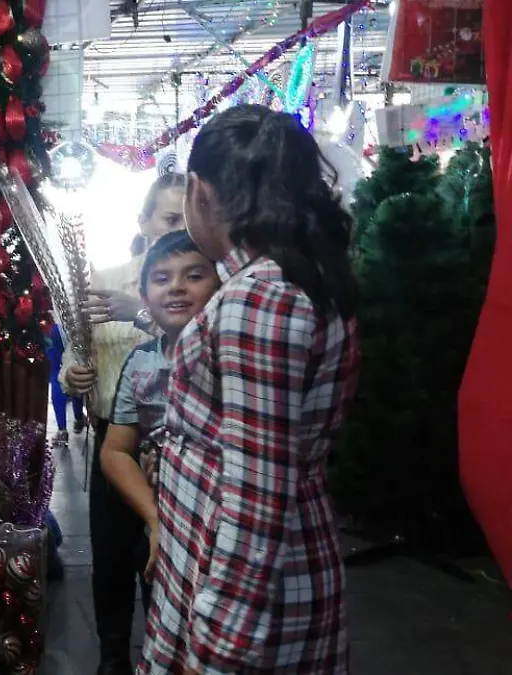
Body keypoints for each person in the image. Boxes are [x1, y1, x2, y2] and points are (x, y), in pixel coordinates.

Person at [141, 105, 359, 675]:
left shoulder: (260, 299)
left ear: (199, 192)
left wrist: (217, 651)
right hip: (243, 581)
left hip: (249, 604)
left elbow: (258, 500)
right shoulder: (279, 279)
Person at [58, 172, 186, 675]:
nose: (179, 229)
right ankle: (113, 658)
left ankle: (165, 652)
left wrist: (141, 313)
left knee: (166, 561)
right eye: (169, 218)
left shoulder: (199, 279)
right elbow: (75, 348)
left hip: (176, 444)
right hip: (114, 439)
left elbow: (200, 344)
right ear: (144, 221)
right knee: (110, 558)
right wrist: (73, 376)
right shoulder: (104, 281)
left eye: (187, 219)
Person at [98, 230, 221, 618]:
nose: (177, 288)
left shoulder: (229, 354)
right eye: (162, 278)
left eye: (195, 275)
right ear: (145, 294)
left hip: (223, 516)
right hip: (165, 508)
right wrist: (155, 519)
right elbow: (115, 450)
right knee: (164, 608)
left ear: (220, 284)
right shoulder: (142, 362)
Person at [47, 322, 86, 444]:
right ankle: (79, 419)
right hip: (74, 323)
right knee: (75, 368)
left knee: (56, 374)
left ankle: (62, 430)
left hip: (51, 324)